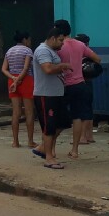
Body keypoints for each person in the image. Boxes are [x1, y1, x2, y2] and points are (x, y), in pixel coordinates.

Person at [52, 20, 101, 159]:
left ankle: (52, 149)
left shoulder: (58, 46)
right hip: (80, 84)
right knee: (77, 117)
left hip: (63, 86)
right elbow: (97, 59)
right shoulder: (80, 45)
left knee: (57, 118)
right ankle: (74, 150)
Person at [32, 27, 73, 169]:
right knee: (49, 127)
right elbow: (48, 69)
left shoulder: (52, 51)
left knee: (63, 123)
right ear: (53, 38)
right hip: (46, 94)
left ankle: (44, 147)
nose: (62, 43)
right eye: (61, 40)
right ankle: (48, 158)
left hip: (56, 94)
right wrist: (63, 65)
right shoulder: (43, 50)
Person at [2, 31, 36, 148]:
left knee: (16, 112)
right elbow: (26, 68)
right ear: (25, 40)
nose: (30, 42)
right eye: (29, 40)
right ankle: (30, 141)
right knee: (29, 112)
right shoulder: (27, 51)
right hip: (25, 81)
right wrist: (19, 80)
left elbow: (4, 69)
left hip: (12, 81)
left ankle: (15, 142)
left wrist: (13, 79)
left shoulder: (9, 51)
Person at [73, 34, 97, 144]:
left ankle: (82, 137)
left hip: (82, 83)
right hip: (88, 82)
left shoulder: (81, 52)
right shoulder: (89, 53)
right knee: (88, 109)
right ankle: (89, 136)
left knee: (82, 110)